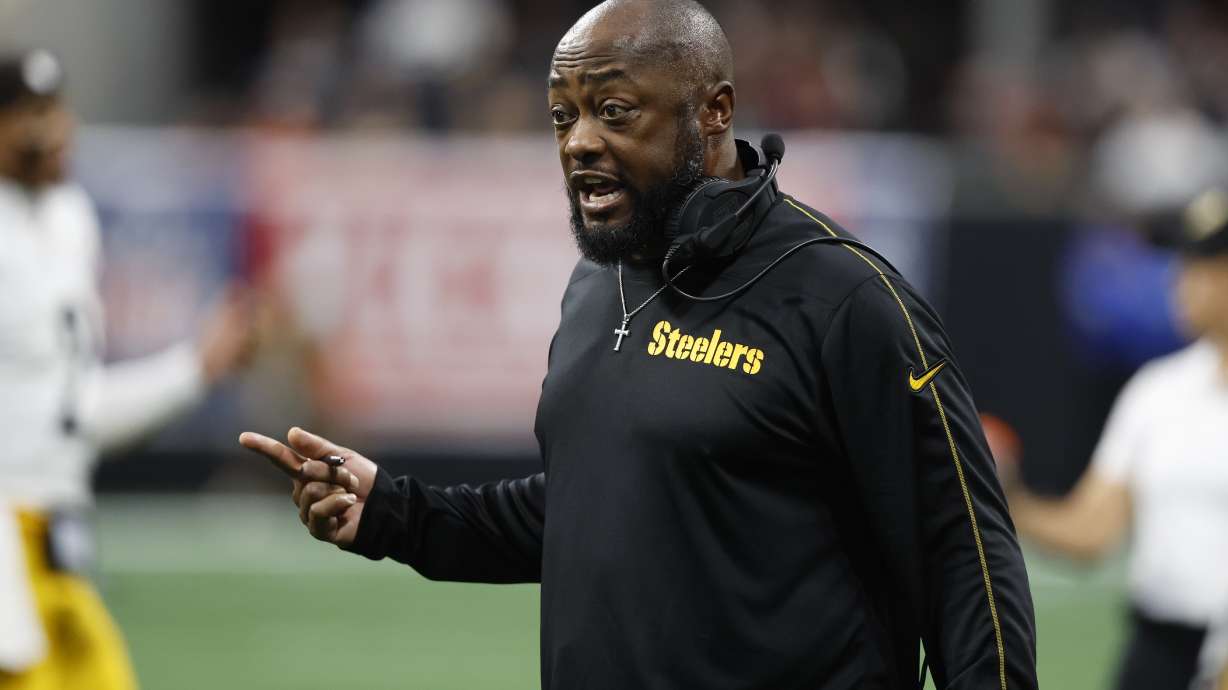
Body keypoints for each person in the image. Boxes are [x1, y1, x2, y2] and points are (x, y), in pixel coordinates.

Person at [241, 2, 1038, 688]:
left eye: (615, 111)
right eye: (563, 116)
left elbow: (964, 557)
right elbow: (592, 509)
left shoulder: (843, 301)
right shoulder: (598, 284)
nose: (579, 142)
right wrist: (393, 514)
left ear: (713, 111)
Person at [0, 50, 254, 689]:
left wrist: (194, 370)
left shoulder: (66, 219)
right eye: (27, 114)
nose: (52, 130)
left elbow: (71, 412)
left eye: (54, 109)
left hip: (58, 532)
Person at [997, 187, 1228, 690]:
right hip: (1157, 652)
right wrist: (1005, 497)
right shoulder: (1157, 391)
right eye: (1185, 262)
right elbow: (1093, 529)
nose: (1182, 281)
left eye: (1206, 265)